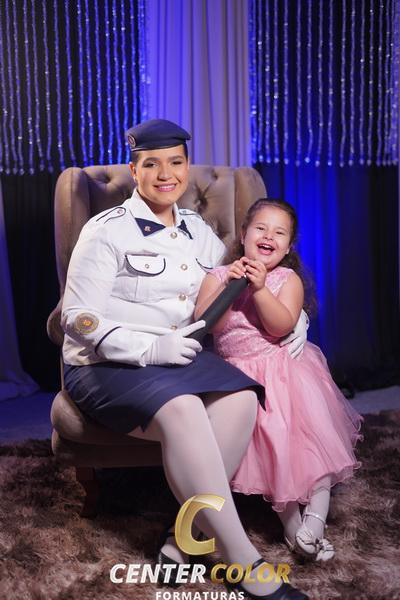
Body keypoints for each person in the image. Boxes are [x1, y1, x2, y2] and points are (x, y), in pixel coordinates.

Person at [61, 119, 309, 599]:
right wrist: (148, 347)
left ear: (187, 168)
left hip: (181, 358)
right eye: (151, 164)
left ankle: (182, 540)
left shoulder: (198, 231)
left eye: (175, 163)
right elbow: (77, 318)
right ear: (134, 170)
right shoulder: (105, 231)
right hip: (107, 365)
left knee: (241, 398)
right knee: (183, 409)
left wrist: (296, 316)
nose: (165, 174)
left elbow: (240, 275)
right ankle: (246, 564)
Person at [195, 198, 363, 562]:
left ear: (288, 247)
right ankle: (293, 528)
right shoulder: (217, 277)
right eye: (261, 228)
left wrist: (259, 289)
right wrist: (231, 287)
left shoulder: (287, 279)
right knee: (274, 452)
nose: (268, 236)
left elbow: (280, 326)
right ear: (243, 235)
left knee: (310, 444)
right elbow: (210, 325)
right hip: (238, 377)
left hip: (285, 373)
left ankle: (315, 520)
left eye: (279, 232)